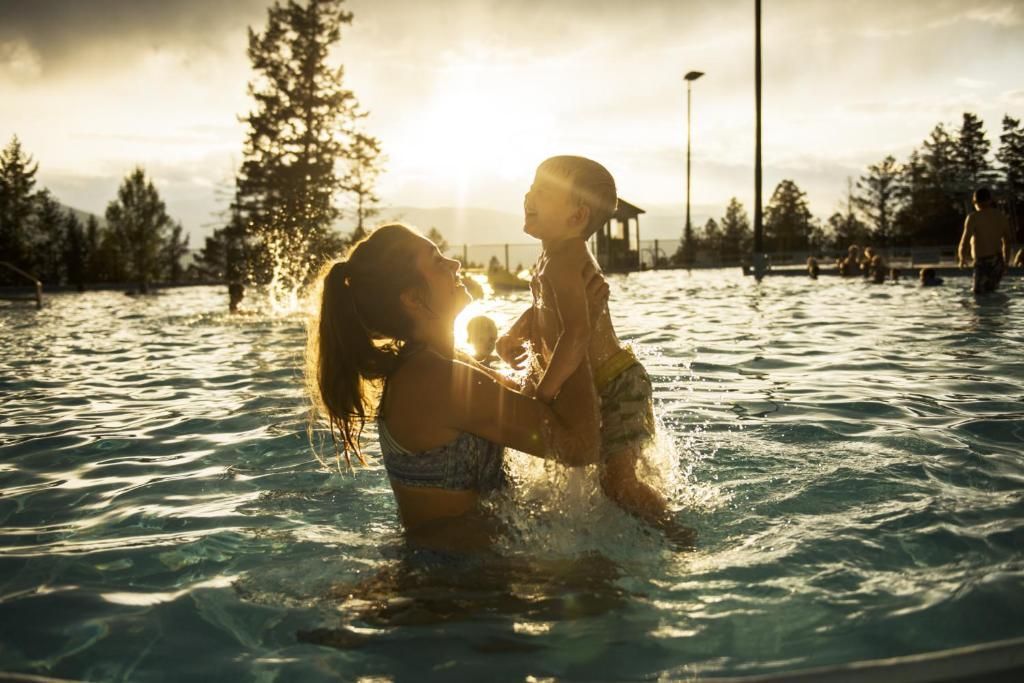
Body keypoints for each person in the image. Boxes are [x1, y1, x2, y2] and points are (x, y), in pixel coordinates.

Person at [305, 224, 607, 551]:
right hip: (454, 588)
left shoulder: (437, 365)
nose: (455, 265)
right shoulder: (435, 381)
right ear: (413, 298)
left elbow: (534, 404)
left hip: (464, 577)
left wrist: (542, 321)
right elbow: (579, 446)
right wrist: (578, 328)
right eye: (437, 261)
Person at [497, 156, 695, 547]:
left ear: (576, 216)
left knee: (617, 484)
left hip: (617, 382)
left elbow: (576, 333)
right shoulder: (548, 259)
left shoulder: (567, 258)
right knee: (600, 476)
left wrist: (545, 392)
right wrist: (511, 336)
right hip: (600, 381)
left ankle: (679, 537)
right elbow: (542, 306)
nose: (529, 196)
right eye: (532, 186)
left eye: (544, 191)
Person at [958, 187, 1015, 295]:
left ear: (975, 202)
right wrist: (1005, 262)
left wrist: (962, 258)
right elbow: (1007, 242)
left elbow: (964, 241)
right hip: (997, 261)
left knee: (978, 294)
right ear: (990, 200)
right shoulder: (1001, 217)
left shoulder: (973, 217)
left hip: (982, 261)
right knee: (992, 292)